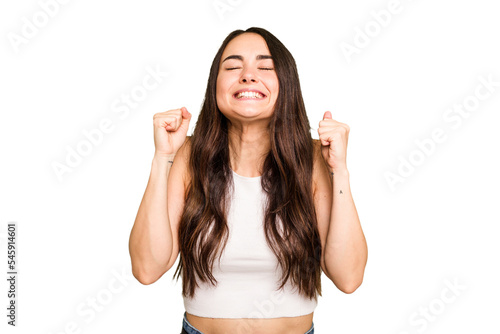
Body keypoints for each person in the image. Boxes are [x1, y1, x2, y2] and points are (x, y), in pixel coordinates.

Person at [128, 27, 368, 334]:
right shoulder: (187, 155)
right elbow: (147, 269)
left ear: (286, 85)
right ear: (215, 85)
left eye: (265, 67)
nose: (248, 75)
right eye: (232, 67)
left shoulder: (314, 158)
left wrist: (340, 170)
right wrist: (163, 158)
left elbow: (348, 278)